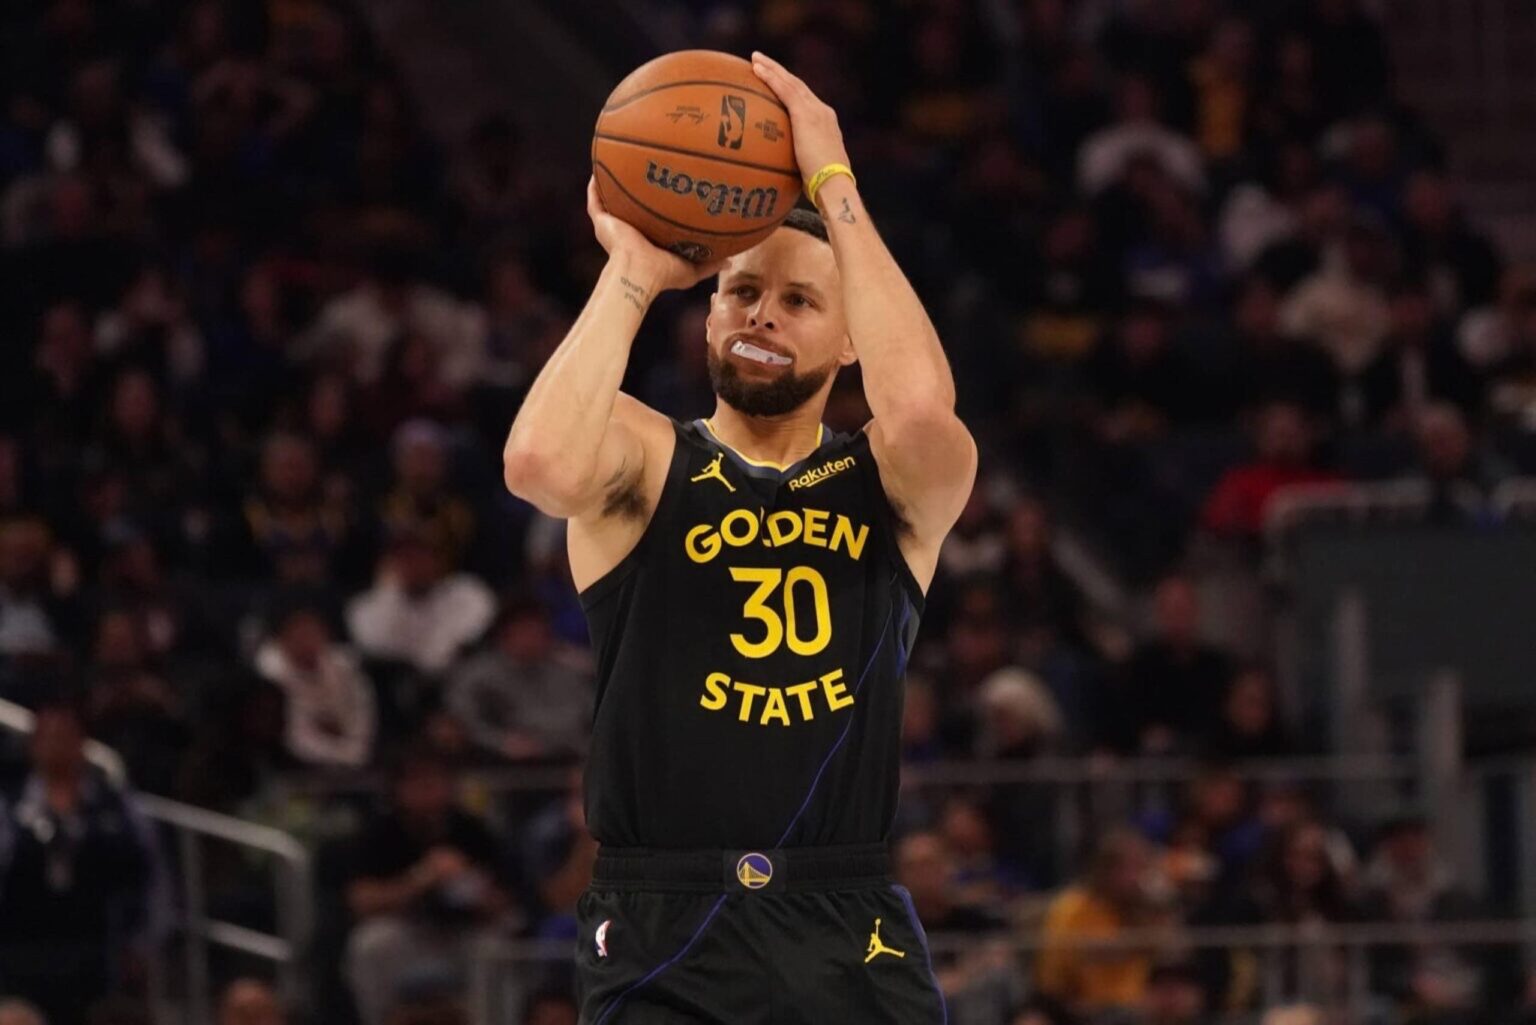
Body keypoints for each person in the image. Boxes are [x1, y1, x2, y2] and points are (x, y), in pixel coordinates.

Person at [502, 52, 976, 1025]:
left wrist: (832, 178)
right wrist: (633, 273)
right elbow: (538, 467)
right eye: (741, 291)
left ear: (852, 341)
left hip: (845, 912)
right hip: (663, 912)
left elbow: (924, 405)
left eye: (800, 301)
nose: (762, 312)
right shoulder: (644, 453)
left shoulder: (890, 479)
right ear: (709, 308)